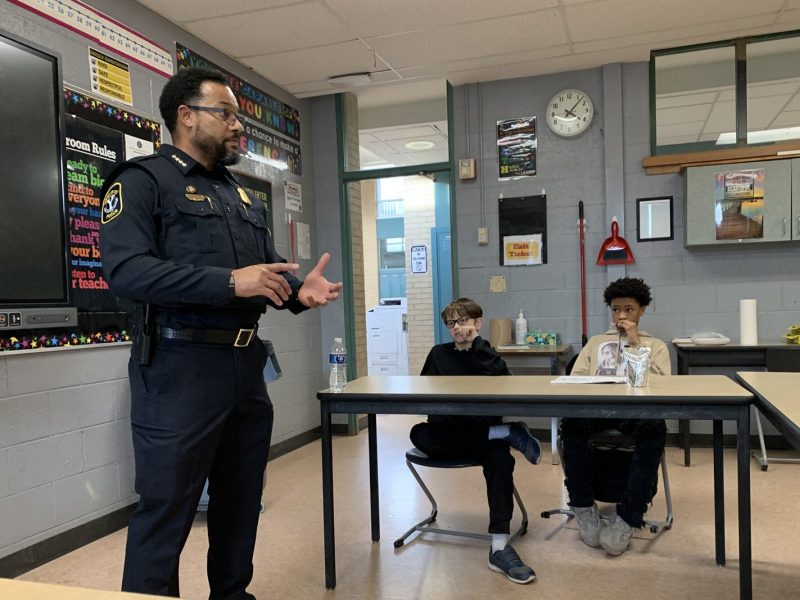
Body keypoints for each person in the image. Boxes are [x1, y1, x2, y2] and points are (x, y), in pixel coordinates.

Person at [99, 67, 342, 599]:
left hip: (243, 368)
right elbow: (128, 272)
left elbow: (268, 270)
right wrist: (229, 283)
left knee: (240, 500)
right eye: (226, 114)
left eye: (237, 116)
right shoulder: (142, 182)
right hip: (177, 367)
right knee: (167, 509)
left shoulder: (238, 195)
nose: (238, 127)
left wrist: (302, 291)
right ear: (185, 117)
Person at [410, 298, 542, 585]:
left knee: (499, 459)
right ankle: (506, 433)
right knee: (417, 434)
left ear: (477, 323)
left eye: (464, 321)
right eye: (452, 323)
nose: (458, 328)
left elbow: (505, 382)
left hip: (478, 431)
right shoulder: (438, 353)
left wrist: (478, 345)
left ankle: (499, 547)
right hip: (448, 431)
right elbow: (421, 393)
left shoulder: (486, 354)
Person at [561, 277, 670, 556]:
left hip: (637, 411)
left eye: (629, 310)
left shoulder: (655, 345)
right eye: (616, 309)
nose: (621, 315)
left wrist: (634, 344)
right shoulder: (597, 342)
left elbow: (663, 385)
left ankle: (629, 516)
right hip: (598, 408)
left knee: (654, 429)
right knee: (571, 426)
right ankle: (583, 506)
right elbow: (575, 380)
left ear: (642, 310)